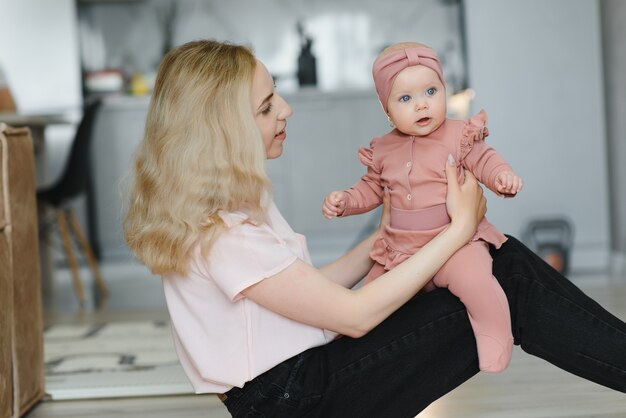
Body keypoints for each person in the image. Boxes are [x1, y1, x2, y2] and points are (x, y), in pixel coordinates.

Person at [124, 40, 626, 418]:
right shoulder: (223, 237)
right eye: (266, 106)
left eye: (275, 96)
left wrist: (394, 231)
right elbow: (355, 316)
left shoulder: (226, 211)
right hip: (296, 400)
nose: (286, 109)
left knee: (505, 269)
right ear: (223, 130)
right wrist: (457, 231)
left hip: (296, 386)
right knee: (510, 278)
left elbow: (311, 294)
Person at [322, 42, 522, 372]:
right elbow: (371, 188)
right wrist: (346, 201)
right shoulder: (384, 149)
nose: (421, 104)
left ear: (445, 90)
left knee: (476, 281)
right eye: (405, 98)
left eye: (431, 91)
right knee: (369, 299)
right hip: (399, 249)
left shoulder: (459, 135)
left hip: (455, 244)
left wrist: (501, 175)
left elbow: (484, 159)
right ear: (387, 111)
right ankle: (345, 355)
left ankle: (495, 331)